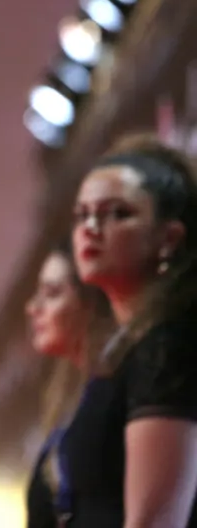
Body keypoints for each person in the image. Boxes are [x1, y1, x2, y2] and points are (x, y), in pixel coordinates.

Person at [59, 135, 197, 527]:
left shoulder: (167, 349)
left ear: (168, 238)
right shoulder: (129, 350)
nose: (91, 227)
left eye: (117, 213)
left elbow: (156, 522)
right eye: (81, 214)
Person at [22, 242, 113, 528]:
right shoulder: (66, 395)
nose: (33, 307)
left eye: (52, 293)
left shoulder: (115, 394)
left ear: (90, 303)